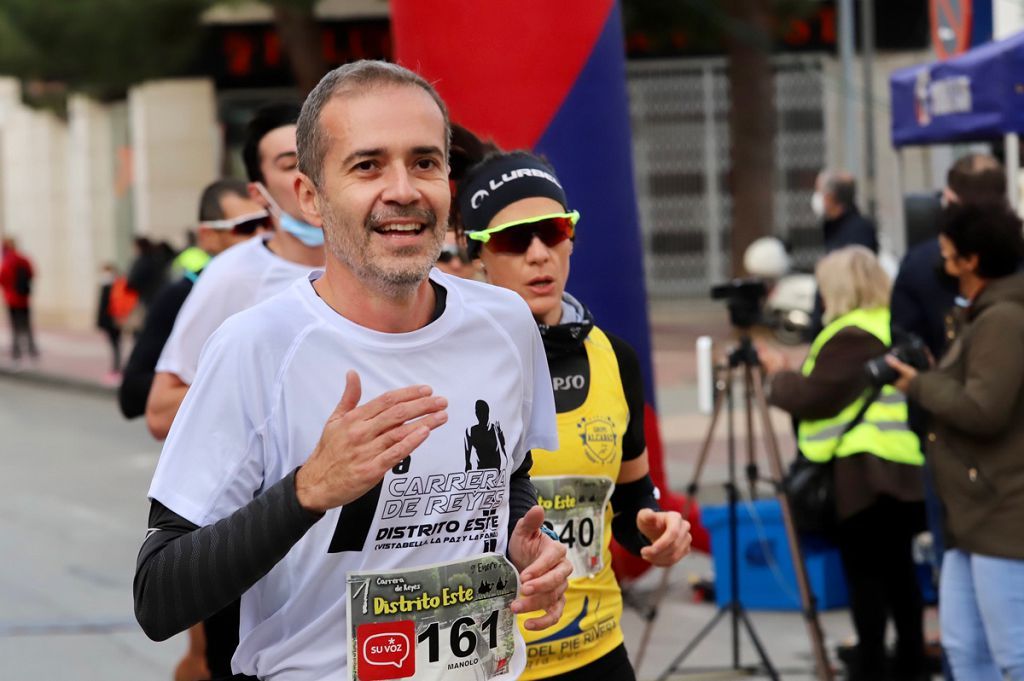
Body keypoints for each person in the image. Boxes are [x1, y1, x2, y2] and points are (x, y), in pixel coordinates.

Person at [134, 60, 572, 681]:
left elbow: (509, 479)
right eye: (367, 165)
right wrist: (307, 490)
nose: (404, 189)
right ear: (311, 196)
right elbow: (157, 597)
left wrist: (520, 545)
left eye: (424, 162)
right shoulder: (256, 346)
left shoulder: (504, 323)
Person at [457, 150, 692, 680]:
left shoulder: (615, 357)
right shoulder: (450, 364)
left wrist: (655, 529)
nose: (540, 254)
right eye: (516, 239)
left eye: (554, 231)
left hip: (595, 653)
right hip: (487, 662)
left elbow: (633, 502)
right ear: (478, 255)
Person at [758, 246, 925, 681]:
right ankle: (909, 662)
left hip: (867, 479)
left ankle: (874, 666)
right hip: (904, 472)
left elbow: (813, 397)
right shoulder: (892, 327)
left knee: (868, 582)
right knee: (902, 577)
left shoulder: (850, 334)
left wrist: (777, 375)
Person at [888, 202, 1024, 681]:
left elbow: (984, 409)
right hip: (969, 515)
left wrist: (920, 384)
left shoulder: (1003, 319)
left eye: (947, 256)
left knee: (1013, 654)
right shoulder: (982, 315)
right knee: (965, 653)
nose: (940, 265)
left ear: (973, 260)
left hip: (1000, 515)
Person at [144, 104, 325, 440]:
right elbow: (161, 414)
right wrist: (270, 382)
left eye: (319, 159)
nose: (308, 177)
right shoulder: (233, 274)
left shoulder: (376, 265)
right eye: (289, 166)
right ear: (259, 192)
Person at [118, 178, 268, 421]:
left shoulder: (295, 283)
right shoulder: (184, 293)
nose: (262, 236)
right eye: (246, 228)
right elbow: (132, 394)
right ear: (207, 236)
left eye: (269, 223)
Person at [0, 237, 38, 362]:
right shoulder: (23, 259)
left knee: (15, 326)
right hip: (23, 298)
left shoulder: (8, 260)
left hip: (12, 298)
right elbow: (32, 273)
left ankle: (17, 352)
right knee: (26, 325)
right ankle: (32, 350)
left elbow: (3, 277)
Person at [97, 264, 123, 382]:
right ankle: (116, 369)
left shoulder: (111, 287)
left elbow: (104, 307)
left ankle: (116, 369)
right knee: (115, 345)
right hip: (112, 321)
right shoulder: (111, 286)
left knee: (115, 345)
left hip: (112, 321)